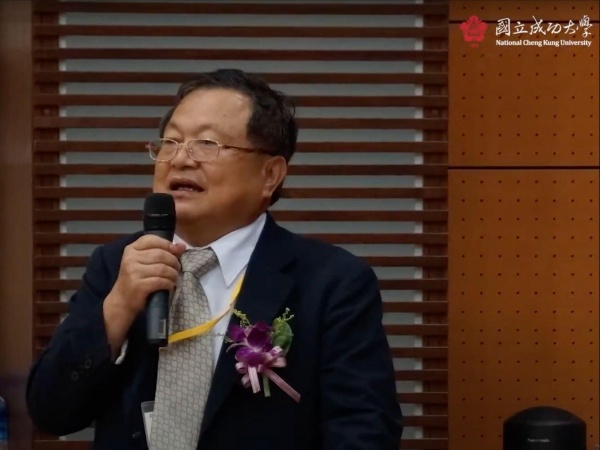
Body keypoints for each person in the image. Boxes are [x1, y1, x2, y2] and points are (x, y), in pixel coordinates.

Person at [26, 69, 402, 450]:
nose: (179, 159)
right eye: (170, 142)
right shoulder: (116, 265)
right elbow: (50, 411)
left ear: (270, 175)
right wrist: (117, 308)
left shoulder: (332, 283)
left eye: (206, 144)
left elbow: (364, 433)